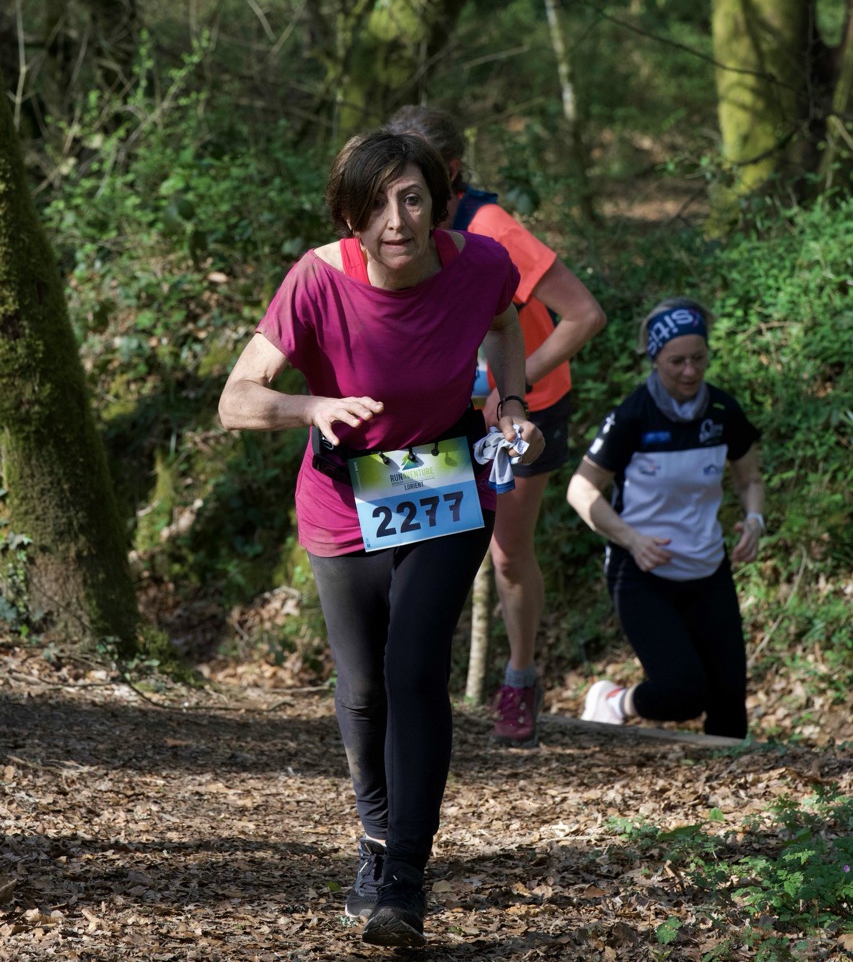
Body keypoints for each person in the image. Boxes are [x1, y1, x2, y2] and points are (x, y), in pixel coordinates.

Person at [218, 130, 544, 949]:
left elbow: (504, 326)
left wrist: (509, 403)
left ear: (438, 203)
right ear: (349, 216)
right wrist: (311, 407)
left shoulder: (479, 263)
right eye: (375, 204)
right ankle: (373, 836)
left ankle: (403, 877)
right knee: (364, 688)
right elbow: (236, 399)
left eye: (411, 199)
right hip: (342, 498)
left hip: (440, 483)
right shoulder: (316, 280)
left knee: (413, 669)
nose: (395, 220)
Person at [387, 106, 606, 748]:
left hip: (524, 403)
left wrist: (511, 388)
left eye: (419, 174)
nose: (402, 191)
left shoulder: (493, 228)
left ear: (451, 170)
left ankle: (520, 680)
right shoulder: (396, 229)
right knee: (412, 538)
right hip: (442, 407)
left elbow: (584, 315)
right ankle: (406, 686)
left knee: (507, 553)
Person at [566, 297, 765, 740]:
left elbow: (749, 478)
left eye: (699, 358)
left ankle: (730, 784)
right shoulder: (632, 416)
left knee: (729, 702)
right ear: (655, 359)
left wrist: (754, 520)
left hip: (708, 568)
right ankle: (614, 700)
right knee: (682, 693)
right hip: (642, 572)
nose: (690, 371)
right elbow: (580, 489)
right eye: (677, 361)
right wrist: (631, 539)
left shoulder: (722, 412)